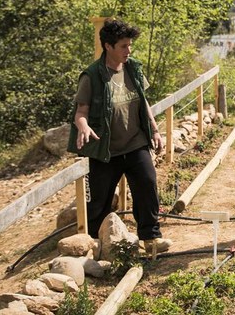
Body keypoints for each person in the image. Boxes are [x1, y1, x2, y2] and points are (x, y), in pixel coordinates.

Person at [68, 19, 171, 252]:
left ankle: (150, 238)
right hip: (105, 149)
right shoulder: (92, 76)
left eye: (129, 45)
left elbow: (143, 101)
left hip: (135, 143)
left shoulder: (133, 68)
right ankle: (98, 245)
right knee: (100, 201)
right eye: (123, 46)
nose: (128, 50)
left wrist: (155, 130)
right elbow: (80, 112)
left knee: (147, 184)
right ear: (108, 46)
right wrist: (83, 127)